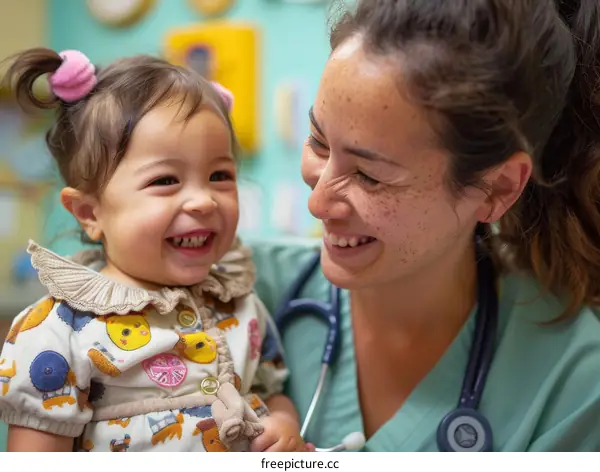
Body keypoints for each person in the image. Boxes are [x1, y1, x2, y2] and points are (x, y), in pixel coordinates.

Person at [248, 0, 600, 452]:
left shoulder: (573, 384)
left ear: (496, 189)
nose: (317, 202)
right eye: (318, 141)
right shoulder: (230, 289)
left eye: (369, 176)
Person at [0, 48, 308, 453]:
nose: (203, 201)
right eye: (165, 180)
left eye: (220, 175)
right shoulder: (57, 331)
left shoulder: (240, 303)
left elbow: (271, 389)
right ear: (90, 212)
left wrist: (284, 422)